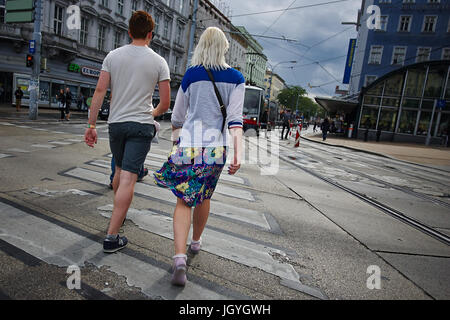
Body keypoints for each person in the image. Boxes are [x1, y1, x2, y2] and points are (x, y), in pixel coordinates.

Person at [153, 27, 244, 286]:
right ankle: (195, 242)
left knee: (184, 200)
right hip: (216, 147)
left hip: (189, 144)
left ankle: (179, 257)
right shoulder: (237, 78)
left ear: (201, 47)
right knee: (204, 195)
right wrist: (238, 152)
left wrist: (176, 138)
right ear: (224, 48)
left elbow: (178, 116)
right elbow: (235, 120)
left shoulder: (191, 75)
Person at [84, 10, 171, 253]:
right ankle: (112, 237)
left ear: (129, 31)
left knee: (119, 170)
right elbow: (165, 104)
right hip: (141, 125)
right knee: (129, 178)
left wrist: (91, 125)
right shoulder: (159, 62)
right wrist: (150, 114)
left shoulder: (112, 56)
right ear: (151, 34)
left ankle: (117, 215)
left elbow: (100, 91)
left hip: (117, 124)